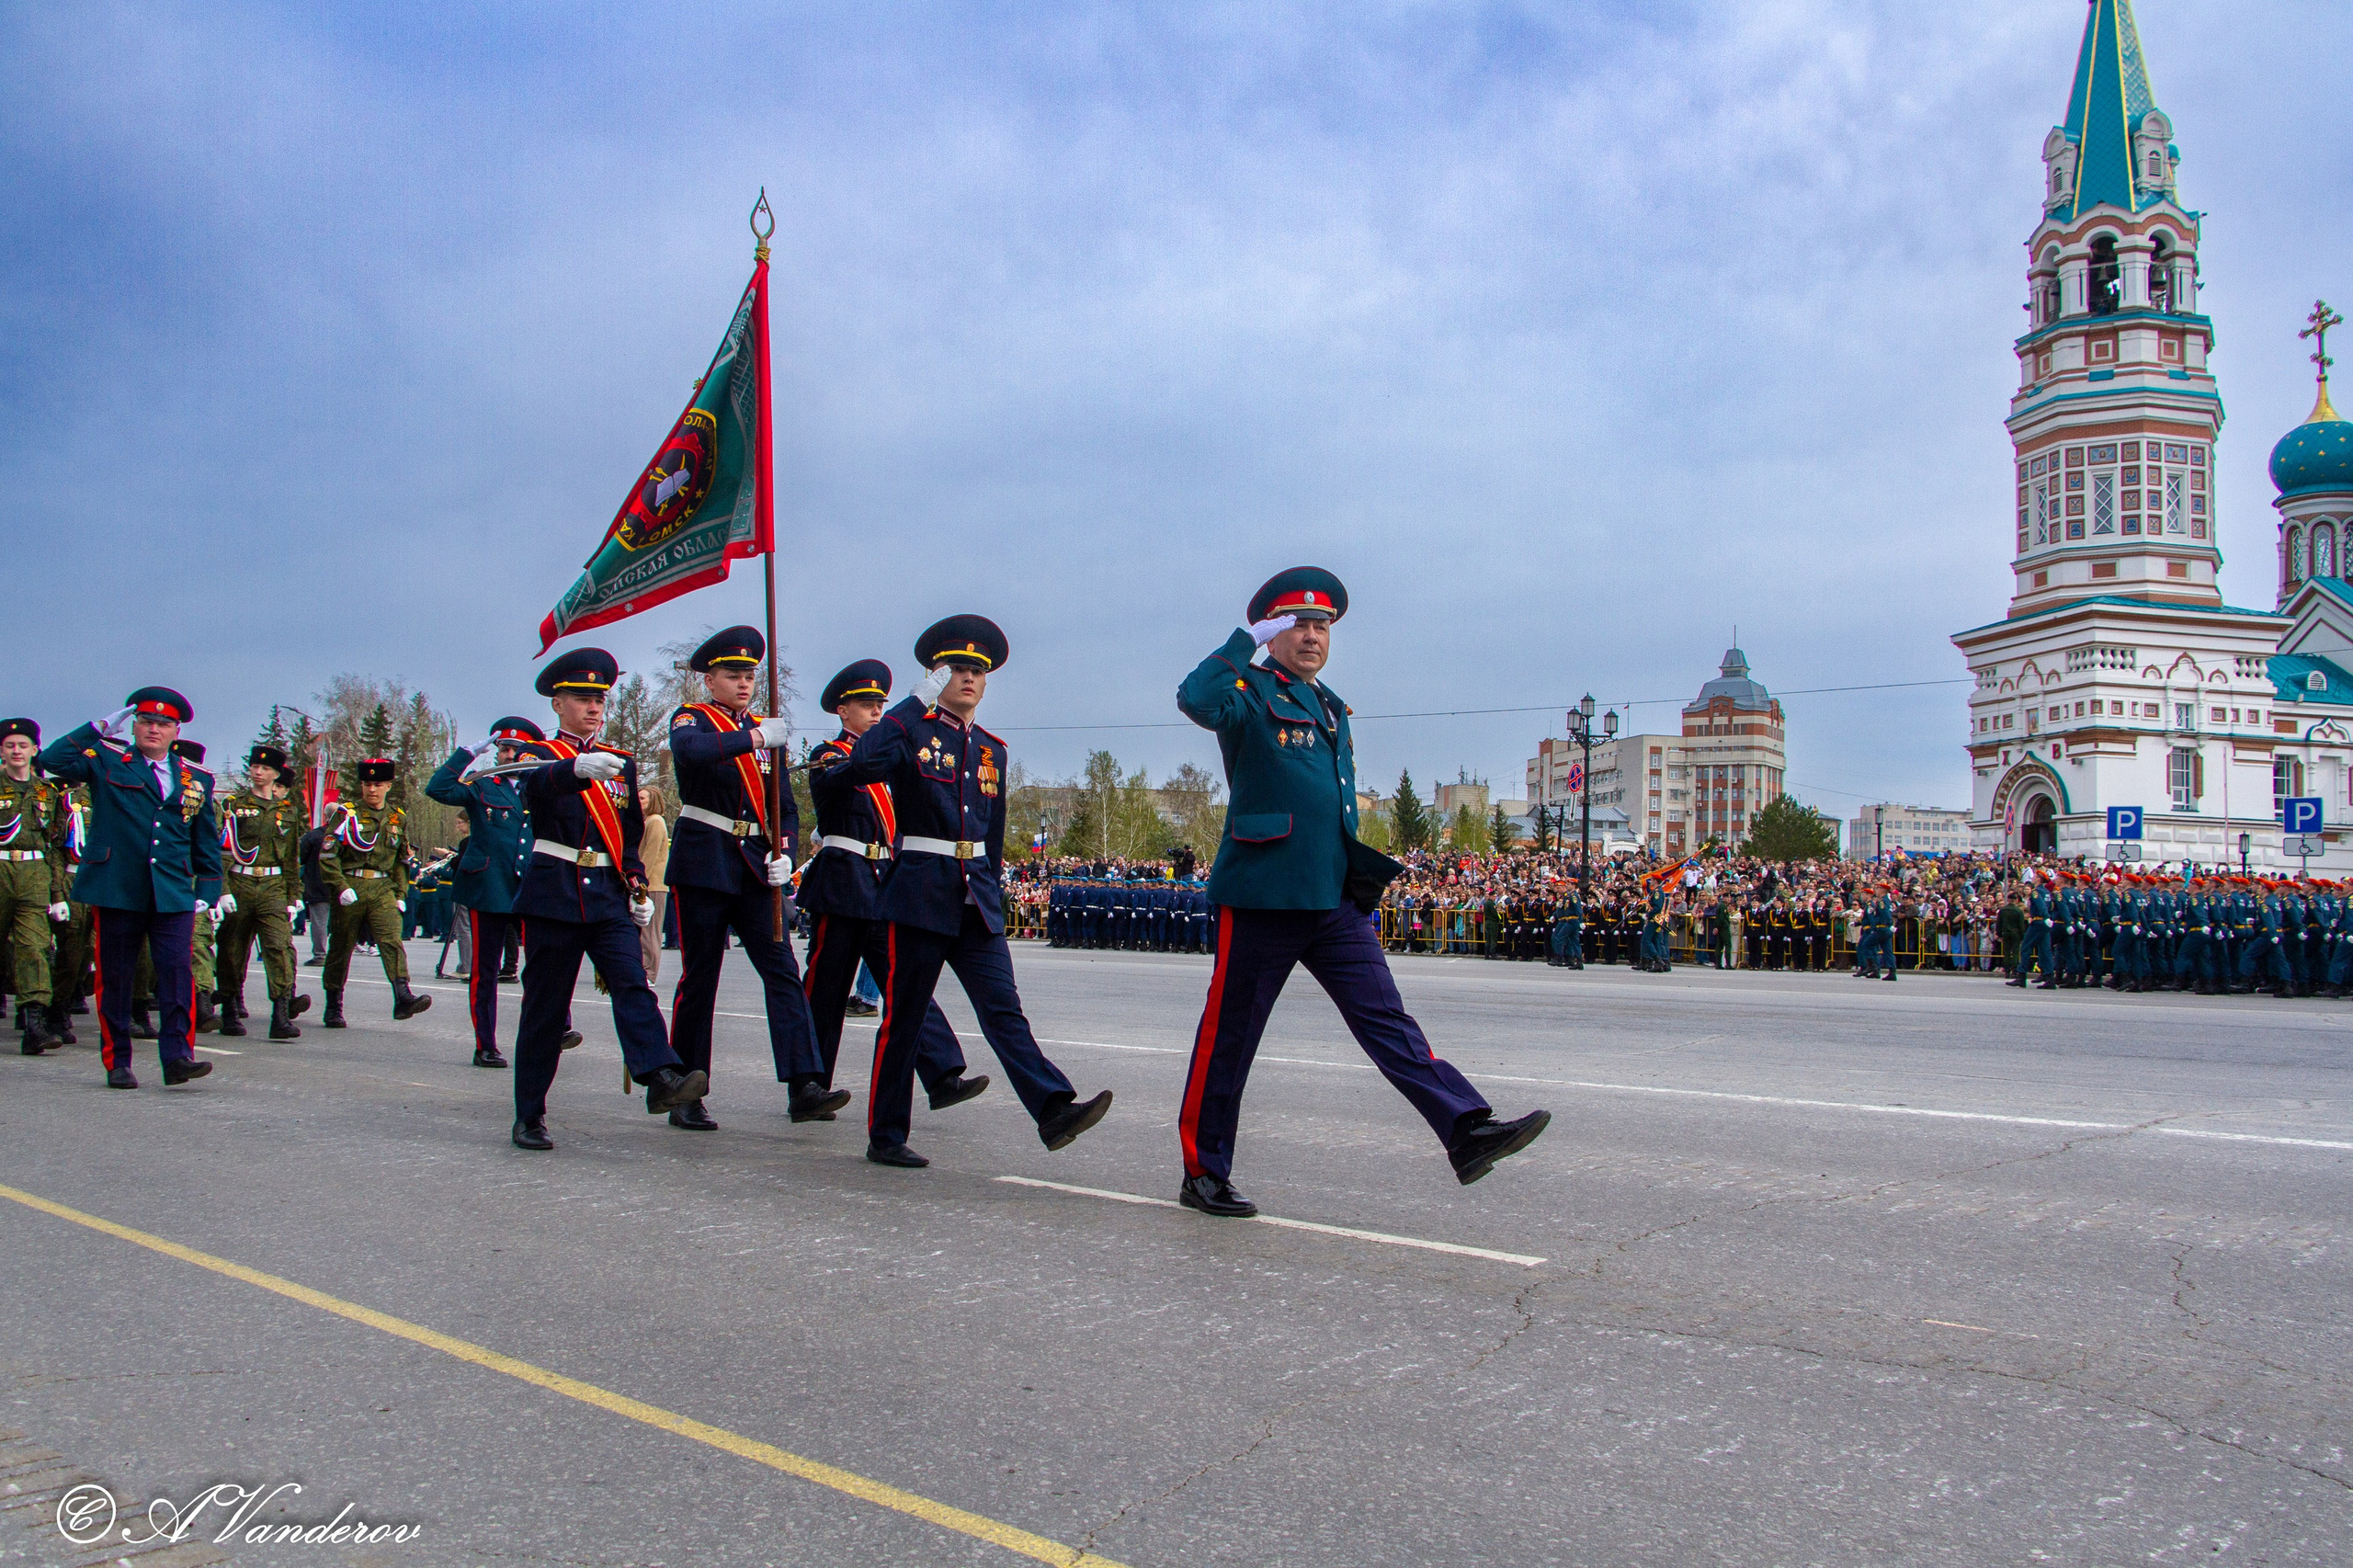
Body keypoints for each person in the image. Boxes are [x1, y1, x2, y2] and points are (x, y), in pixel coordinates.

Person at [1172, 568, 1549, 1218]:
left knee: (1388, 1021)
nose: (1312, 635)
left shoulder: (1332, 707)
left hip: (1333, 900)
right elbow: (1194, 698)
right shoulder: (1247, 691)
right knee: (1230, 1038)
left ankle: (1465, 1128)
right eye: (1297, 624)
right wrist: (1245, 641)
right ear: (1273, 631)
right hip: (1264, 897)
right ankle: (1203, 1172)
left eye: (1322, 626)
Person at [835, 615, 1113, 1168]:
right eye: (956, 669)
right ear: (937, 677)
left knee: (1004, 1010)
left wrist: (991, 889)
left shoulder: (992, 750)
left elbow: (995, 829)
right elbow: (862, 766)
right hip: (917, 894)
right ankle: (886, 1135)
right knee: (905, 1019)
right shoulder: (911, 730)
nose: (967, 678)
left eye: (976, 671)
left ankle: (1053, 1108)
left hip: (973, 897)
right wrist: (911, 705)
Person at [508, 647, 703, 1150]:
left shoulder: (621, 763)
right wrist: (574, 770)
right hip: (554, 893)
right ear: (557, 703)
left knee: (633, 986)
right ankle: (529, 1113)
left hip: (607, 899)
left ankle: (660, 1076)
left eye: (600, 699)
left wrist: (637, 884)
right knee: (545, 1010)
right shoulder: (541, 754)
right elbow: (533, 786)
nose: (594, 708)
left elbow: (629, 834)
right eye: (582, 699)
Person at [801, 657, 987, 1116]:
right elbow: (848, 775)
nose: (875, 712)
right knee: (826, 989)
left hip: (883, 884)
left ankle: (941, 1073)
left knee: (907, 986)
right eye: (866, 705)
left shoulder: (889, 759)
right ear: (842, 711)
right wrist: (913, 706)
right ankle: (808, 1085)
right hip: (842, 883)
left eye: (881, 705)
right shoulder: (830, 754)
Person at [663, 624, 829, 1131]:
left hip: (755, 865)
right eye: (733, 675)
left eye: (749, 676)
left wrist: (784, 851)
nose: (743, 684)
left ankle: (804, 1083)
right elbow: (691, 754)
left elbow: (787, 807)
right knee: (701, 977)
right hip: (705, 862)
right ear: (709, 680)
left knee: (780, 969)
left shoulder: (764, 733)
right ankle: (687, 1091)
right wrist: (756, 736)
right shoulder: (693, 718)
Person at [36, 687, 223, 1089]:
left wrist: (209, 891)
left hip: (172, 891)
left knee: (176, 975)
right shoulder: (107, 760)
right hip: (118, 887)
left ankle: (177, 1058)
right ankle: (118, 1060)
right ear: (134, 724)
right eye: (146, 721)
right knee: (116, 978)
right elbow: (50, 760)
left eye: (163, 724)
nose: (153, 729)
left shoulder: (197, 779)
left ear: (176, 731)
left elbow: (204, 841)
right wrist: (100, 727)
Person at [426, 716, 544, 1068]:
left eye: (516, 748)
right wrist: (465, 755)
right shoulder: (483, 785)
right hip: (489, 887)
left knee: (544, 963)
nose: (508, 754)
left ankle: (557, 1027)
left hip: (531, 886)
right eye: (503, 748)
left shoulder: (539, 787)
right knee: (485, 971)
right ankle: (486, 1044)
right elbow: (439, 789)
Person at [317, 758, 432, 1027]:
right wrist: (340, 886)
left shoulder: (397, 818)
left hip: (382, 888)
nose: (372, 789)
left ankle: (402, 995)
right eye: (367, 784)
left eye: (378, 784)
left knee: (392, 939)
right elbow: (328, 854)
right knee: (341, 946)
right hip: (352, 884)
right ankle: (334, 1003)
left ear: (388, 786)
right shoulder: (346, 814)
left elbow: (402, 861)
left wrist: (401, 895)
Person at [213, 743, 313, 1040]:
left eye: (265, 768)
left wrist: (295, 895)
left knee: (279, 947)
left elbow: (292, 857)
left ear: (276, 773)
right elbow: (221, 850)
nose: (258, 772)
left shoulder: (288, 811)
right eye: (255, 766)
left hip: (272, 885)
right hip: (239, 882)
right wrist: (222, 889)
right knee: (232, 949)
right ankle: (230, 1009)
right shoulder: (233, 805)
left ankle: (280, 1014)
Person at [0, 720, 72, 1054]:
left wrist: (57, 894)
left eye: (23, 745)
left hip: (34, 873)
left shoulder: (48, 793)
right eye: (10, 745)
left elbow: (55, 845)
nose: (17, 751)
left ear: (34, 751)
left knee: (34, 947)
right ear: (1, 750)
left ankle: (34, 1025)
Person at [637, 783, 670, 984]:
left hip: (653, 884)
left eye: (643, 798)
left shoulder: (655, 821)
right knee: (643, 931)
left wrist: (640, 882)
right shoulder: (647, 822)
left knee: (650, 932)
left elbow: (650, 854)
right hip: (649, 883)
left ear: (653, 802)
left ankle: (650, 973)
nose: (638, 802)